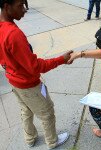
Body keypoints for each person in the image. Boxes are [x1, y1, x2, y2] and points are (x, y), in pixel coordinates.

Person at [0, 0, 72, 149]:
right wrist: (61, 59)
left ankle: (30, 138)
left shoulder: (2, 28)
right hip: (29, 84)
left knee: (26, 110)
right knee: (47, 111)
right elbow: (35, 67)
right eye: (20, 5)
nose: (25, 10)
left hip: (14, 81)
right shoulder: (13, 34)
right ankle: (52, 141)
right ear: (7, 7)